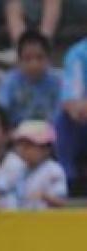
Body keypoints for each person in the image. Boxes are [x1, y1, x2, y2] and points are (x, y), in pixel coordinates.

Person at [0, 119, 66, 211]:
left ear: (46, 149)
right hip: (18, 221)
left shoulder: (54, 170)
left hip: (45, 222)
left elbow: (61, 202)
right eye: (19, 145)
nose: (22, 150)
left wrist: (44, 196)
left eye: (28, 146)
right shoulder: (14, 167)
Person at [0, 30, 62, 126]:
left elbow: (61, 112)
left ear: (49, 59)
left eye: (40, 58)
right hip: (18, 132)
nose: (34, 65)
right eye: (27, 59)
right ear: (18, 61)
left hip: (51, 131)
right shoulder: (9, 81)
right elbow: (1, 111)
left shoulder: (59, 80)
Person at [54, 36, 87, 187]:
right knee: (63, 118)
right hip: (82, 123)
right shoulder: (79, 53)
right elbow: (71, 103)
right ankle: (68, 179)